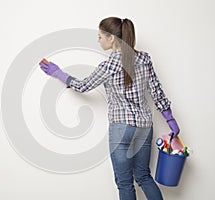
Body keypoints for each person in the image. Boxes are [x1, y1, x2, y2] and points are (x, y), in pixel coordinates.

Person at [39, 16, 180, 200]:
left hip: (122, 129)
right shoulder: (145, 59)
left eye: (100, 37)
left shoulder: (110, 65)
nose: (98, 40)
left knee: (124, 183)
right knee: (144, 177)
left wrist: (59, 73)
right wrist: (170, 119)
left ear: (111, 38)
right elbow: (157, 92)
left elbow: (83, 86)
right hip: (145, 126)